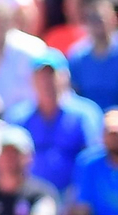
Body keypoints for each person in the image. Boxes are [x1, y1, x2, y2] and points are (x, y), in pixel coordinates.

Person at [8, 48, 102, 194]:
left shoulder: (86, 113)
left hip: (74, 197)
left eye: (52, 75)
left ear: (66, 76)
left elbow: (94, 160)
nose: (46, 81)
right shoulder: (18, 116)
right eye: (40, 76)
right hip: (29, 197)